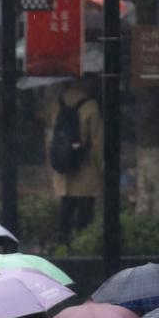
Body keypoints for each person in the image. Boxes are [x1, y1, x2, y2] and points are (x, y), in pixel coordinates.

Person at [47, 79, 103, 243]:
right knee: (85, 211)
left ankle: (63, 243)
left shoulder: (57, 104)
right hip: (85, 168)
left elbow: (52, 134)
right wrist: (100, 166)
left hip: (62, 168)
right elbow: (97, 141)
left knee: (66, 208)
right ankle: (83, 243)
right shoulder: (90, 106)